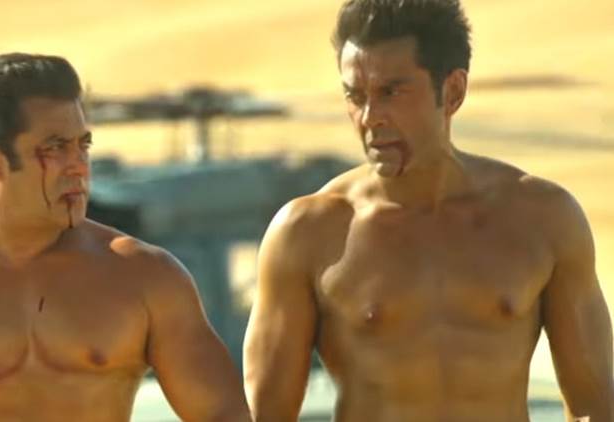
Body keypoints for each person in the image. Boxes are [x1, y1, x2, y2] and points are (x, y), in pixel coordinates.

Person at [243, 1, 614, 421]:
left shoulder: (544, 219)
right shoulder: (307, 235)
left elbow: (594, 406)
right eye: (355, 96)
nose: (370, 118)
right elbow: (265, 416)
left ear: (452, 92)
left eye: (391, 92)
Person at [0, 53, 250, 422]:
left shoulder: (146, 277)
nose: (79, 167)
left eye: (83, 146)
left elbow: (222, 416)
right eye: (56, 148)